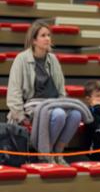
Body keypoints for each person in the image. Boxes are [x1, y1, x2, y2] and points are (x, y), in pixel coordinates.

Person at [6, 21, 82, 163]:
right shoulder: (21, 59)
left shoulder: (53, 60)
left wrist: (63, 105)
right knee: (58, 114)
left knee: (76, 114)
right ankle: (45, 154)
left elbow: (61, 91)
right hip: (32, 108)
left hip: (53, 104)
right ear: (34, 40)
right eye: (43, 35)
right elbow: (13, 94)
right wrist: (21, 118)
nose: (47, 38)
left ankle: (57, 152)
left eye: (48, 35)